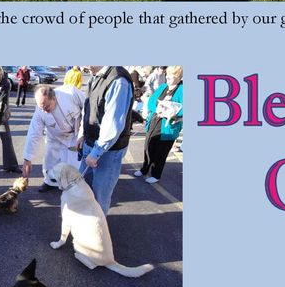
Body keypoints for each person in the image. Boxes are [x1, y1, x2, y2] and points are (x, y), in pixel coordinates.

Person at [80, 64, 135, 214]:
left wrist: (96, 152)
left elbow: (113, 122)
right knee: (82, 191)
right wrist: (82, 135)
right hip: (90, 144)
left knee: (99, 199)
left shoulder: (118, 80)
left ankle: (98, 234)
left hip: (107, 152)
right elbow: (88, 110)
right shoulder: (95, 77)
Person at [22, 81, 86, 190]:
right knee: (50, 160)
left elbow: (88, 107)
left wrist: (83, 132)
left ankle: (72, 184)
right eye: (41, 107)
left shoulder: (71, 93)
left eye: (46, 106)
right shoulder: (40, 110)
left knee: (73, 163)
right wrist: (27, 158)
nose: (44, 111)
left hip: (74, 135)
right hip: (54, 136)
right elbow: (34, 133)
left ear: (54, 98)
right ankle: (49, 182)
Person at [134, 65, 183, 184]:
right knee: (148, 146)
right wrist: (157, 109)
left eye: (171, 77)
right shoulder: (163, 87)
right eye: (167, 76)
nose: (168, 79)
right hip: (155, 120)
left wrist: (169, 112)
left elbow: (183, 109)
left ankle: (156, 174)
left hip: (168, 125)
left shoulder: (183, 90)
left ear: (178, 77)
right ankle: (144, 169)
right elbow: (151, 101)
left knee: (161, 151)